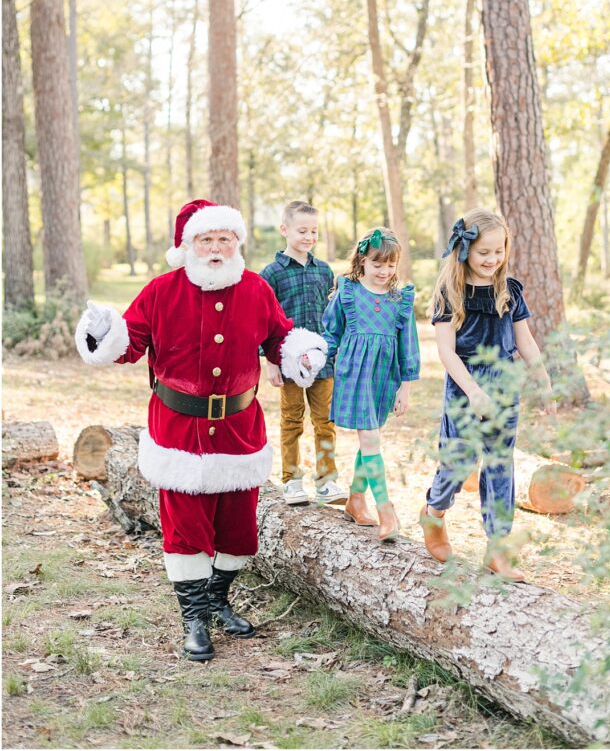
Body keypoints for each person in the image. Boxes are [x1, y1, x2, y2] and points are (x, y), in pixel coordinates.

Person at [75, 199, 327, 662]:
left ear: (237, 243)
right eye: (206, 240)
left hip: (239, 430)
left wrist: (300, 354)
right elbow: (128, 345)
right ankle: (194, 619)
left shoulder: (255, 290)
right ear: (189, 245)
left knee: (238, 531)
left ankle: (217, 599)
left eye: (224, 239)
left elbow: (279, 337)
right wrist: (103, 332)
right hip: (179, 432)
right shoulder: (161, 291)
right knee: (186, 530)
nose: (215, 248)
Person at [419, 208, 554, 582]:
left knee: (499, 464)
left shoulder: (508, 290)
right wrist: (474, 391)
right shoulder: (450, 292)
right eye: (484, 253)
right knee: (459, 462)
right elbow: (446, 353)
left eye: (499, 251)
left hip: (504, 383)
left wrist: (541, 378)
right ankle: (434, 511)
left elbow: (524, 339)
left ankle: (497, 548)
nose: (492, 260)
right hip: (466, 384)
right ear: (464, 252)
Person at [321, 227, 420, 542]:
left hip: (384, 375)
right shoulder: (348, 291)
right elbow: (331, 331)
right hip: (354, 372)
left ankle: (355, 499)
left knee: (371, 439)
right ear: (362, 260)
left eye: (390, 265)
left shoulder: (399, 297)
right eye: (378, 264)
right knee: (372, 439)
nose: (385, 271)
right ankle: (386, 511)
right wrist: (314, 360)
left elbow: (409, 344)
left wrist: (405, 387)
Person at [260, 200, 347, 507]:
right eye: (302, 230)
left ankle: (326, 481)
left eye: (313, 231)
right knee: (292, 421)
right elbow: (265, 321)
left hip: (322, 363)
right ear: (284, 230)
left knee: (326, 421)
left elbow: (331, 316)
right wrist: (271, 362)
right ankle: (292, 480)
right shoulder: (271, 274)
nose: (309, 236)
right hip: (289, 363)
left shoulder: (324, 271)